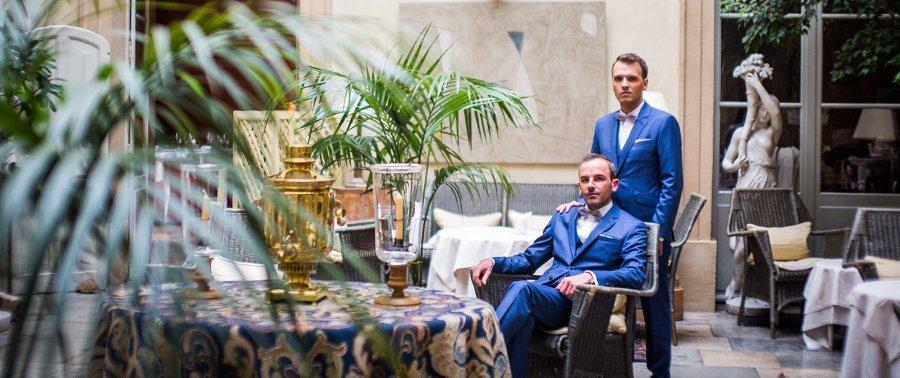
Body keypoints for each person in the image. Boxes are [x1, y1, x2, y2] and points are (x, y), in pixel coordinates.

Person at [558, 53, 682, 377]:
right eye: (618, 78)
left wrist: (658, 231)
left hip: (646, 227)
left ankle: (660, 372)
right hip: (608, 227)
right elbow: (594, 171)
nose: (624, 84)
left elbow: (672, 181)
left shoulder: (663, 123)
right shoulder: (602, 124)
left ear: (644, 82)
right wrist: (580, 202)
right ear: (613, 83)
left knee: (653, 305)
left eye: (631, 78)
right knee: (605, 295)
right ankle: (607, 366)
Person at [472, 153, 648, 378]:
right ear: (579, 186)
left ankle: (476, 355)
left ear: (614, 184)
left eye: (598, 179)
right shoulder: (564, 217)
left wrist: (589, 276)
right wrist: (494, 261)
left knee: (522, 289)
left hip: (589, 306)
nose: (591, 185)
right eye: (585, 180)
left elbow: (635, 274)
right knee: (523, 317)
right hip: (549, 299)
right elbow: (530, 259)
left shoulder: (631, 226)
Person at [720, 70, 782, 299]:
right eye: (762, 108)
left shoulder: (771, 134)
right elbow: (726, 162)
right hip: (744, 191)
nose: (766, 113)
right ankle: (737, 284)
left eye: (769, 110)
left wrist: (756, 84)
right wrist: (736, 165)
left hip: (766, 192)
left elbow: (776, 113)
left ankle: (762, 291)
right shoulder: (740, 133)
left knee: (764, 247)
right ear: (755, 108)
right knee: (738, 250)